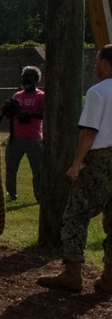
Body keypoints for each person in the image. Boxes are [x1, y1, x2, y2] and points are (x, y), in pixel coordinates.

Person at [38, 46, 112, 297]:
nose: (95, 64)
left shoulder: (98, 92)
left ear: (106, 63)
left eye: (97, 59)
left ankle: (72, 273)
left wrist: (77, 163)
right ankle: (109, 277)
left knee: (76, 214)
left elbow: (89, 132)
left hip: (101, 158)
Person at [0, 66, 44, 202]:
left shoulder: (41, 96)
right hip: (16, 138)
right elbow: (12, 115)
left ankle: (40, 196)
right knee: (11, 169)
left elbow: (45, 114)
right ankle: (11, 194)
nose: (25, 79)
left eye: (28, 77)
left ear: (35, 79)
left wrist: (29, 114)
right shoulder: (17, 95)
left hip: (34, 139)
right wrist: (7, 111)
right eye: (23, 77)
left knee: (38, 171)